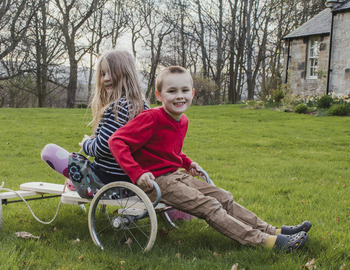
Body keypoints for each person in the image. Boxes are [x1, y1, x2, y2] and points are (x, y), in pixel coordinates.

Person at [108, 66, 312, 251]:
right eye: (172, 91)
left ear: (193, 93)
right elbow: (116, 141)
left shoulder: (182, 120)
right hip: (155, 182)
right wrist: (137, 173)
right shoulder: (151, 118)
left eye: (184, 90)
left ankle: (273, 231)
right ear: (159, 95)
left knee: (224, 197)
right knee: (209, 206)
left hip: (175, 175)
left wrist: (187, 163)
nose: (180, 96)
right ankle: (266, 242)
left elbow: (170, 151)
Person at [41, 50, 148, 196]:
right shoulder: (141, 106)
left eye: (111, 72)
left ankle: (81, 182)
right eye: (103, 74)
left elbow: (103, 147)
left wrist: (86, 144)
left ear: (126, 73)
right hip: (132, 179)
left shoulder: (121, 107)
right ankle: (78, 180)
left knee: (49, 151)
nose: (106, 78)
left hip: (105, 180)